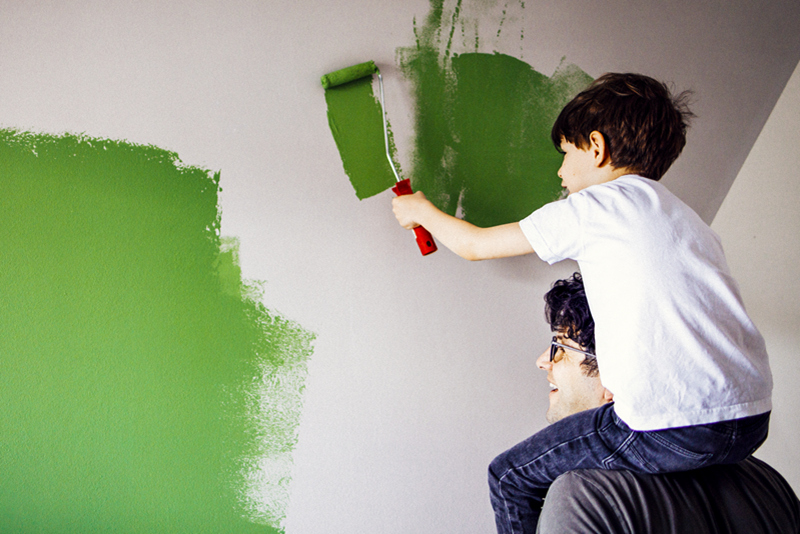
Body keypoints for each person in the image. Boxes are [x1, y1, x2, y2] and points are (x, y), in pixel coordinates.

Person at [392, 73, 773, 533]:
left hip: (670, 428)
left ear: (596, 147)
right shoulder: (683, 217)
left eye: (565, 154)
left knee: (510, 477)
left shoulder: (597, 207)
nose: (560, 171)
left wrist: (420, 212)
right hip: (748, 420)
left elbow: (476, 246)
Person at [532, 274, 799, 534]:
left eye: (561, 346)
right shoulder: (766, 481)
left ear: (618, 376)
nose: (543, 360)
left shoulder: (582, 497)